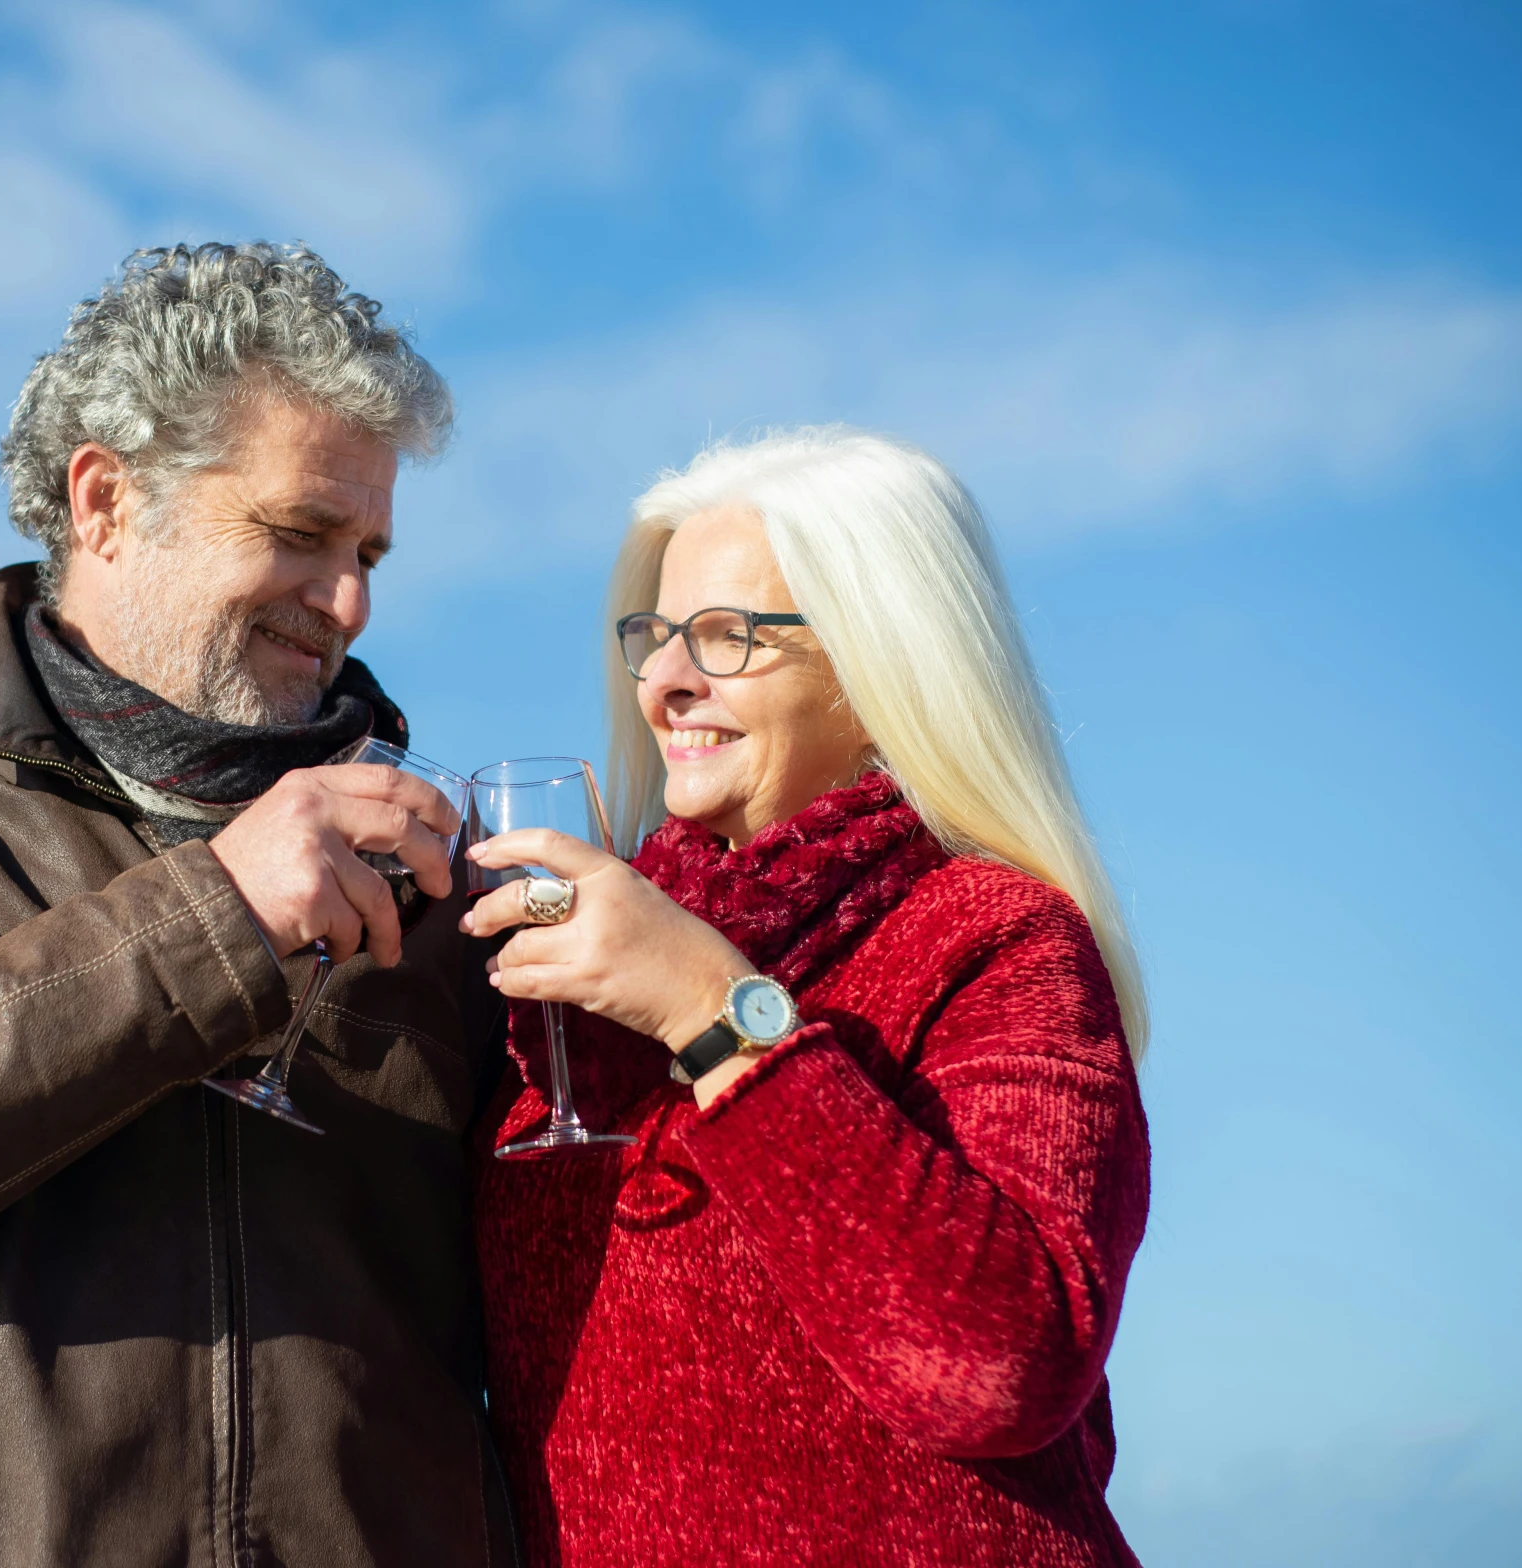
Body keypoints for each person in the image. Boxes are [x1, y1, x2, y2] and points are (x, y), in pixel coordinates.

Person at [0, 243, 515, 1568]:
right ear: (107, 500)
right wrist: (219, 914)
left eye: (368, 551)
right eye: (298, 534)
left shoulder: (430, 877)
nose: (348, 601)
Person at [464, 427, 1152, 1566]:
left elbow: (1001, 1367)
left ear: (884, 664)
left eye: (728, 637)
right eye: (656, 636)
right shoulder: (576, 967)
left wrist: (713, 1005)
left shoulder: (998, 936)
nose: (665, 680)